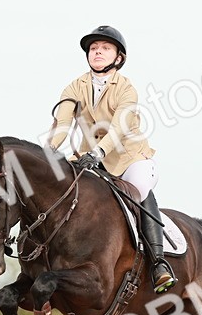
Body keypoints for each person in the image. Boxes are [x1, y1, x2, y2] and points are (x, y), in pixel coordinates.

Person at [46, 25, 176, 293]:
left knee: (138, 191)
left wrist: (97, 153)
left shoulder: (126, 88)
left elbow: (118, 129)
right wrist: (48, 153)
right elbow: (63, 124)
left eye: (105, 48)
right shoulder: (75, 87)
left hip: (129, 159)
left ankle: (158, 263)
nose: (97, 52)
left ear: (118, 57)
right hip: (89, 160)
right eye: (93, 48)